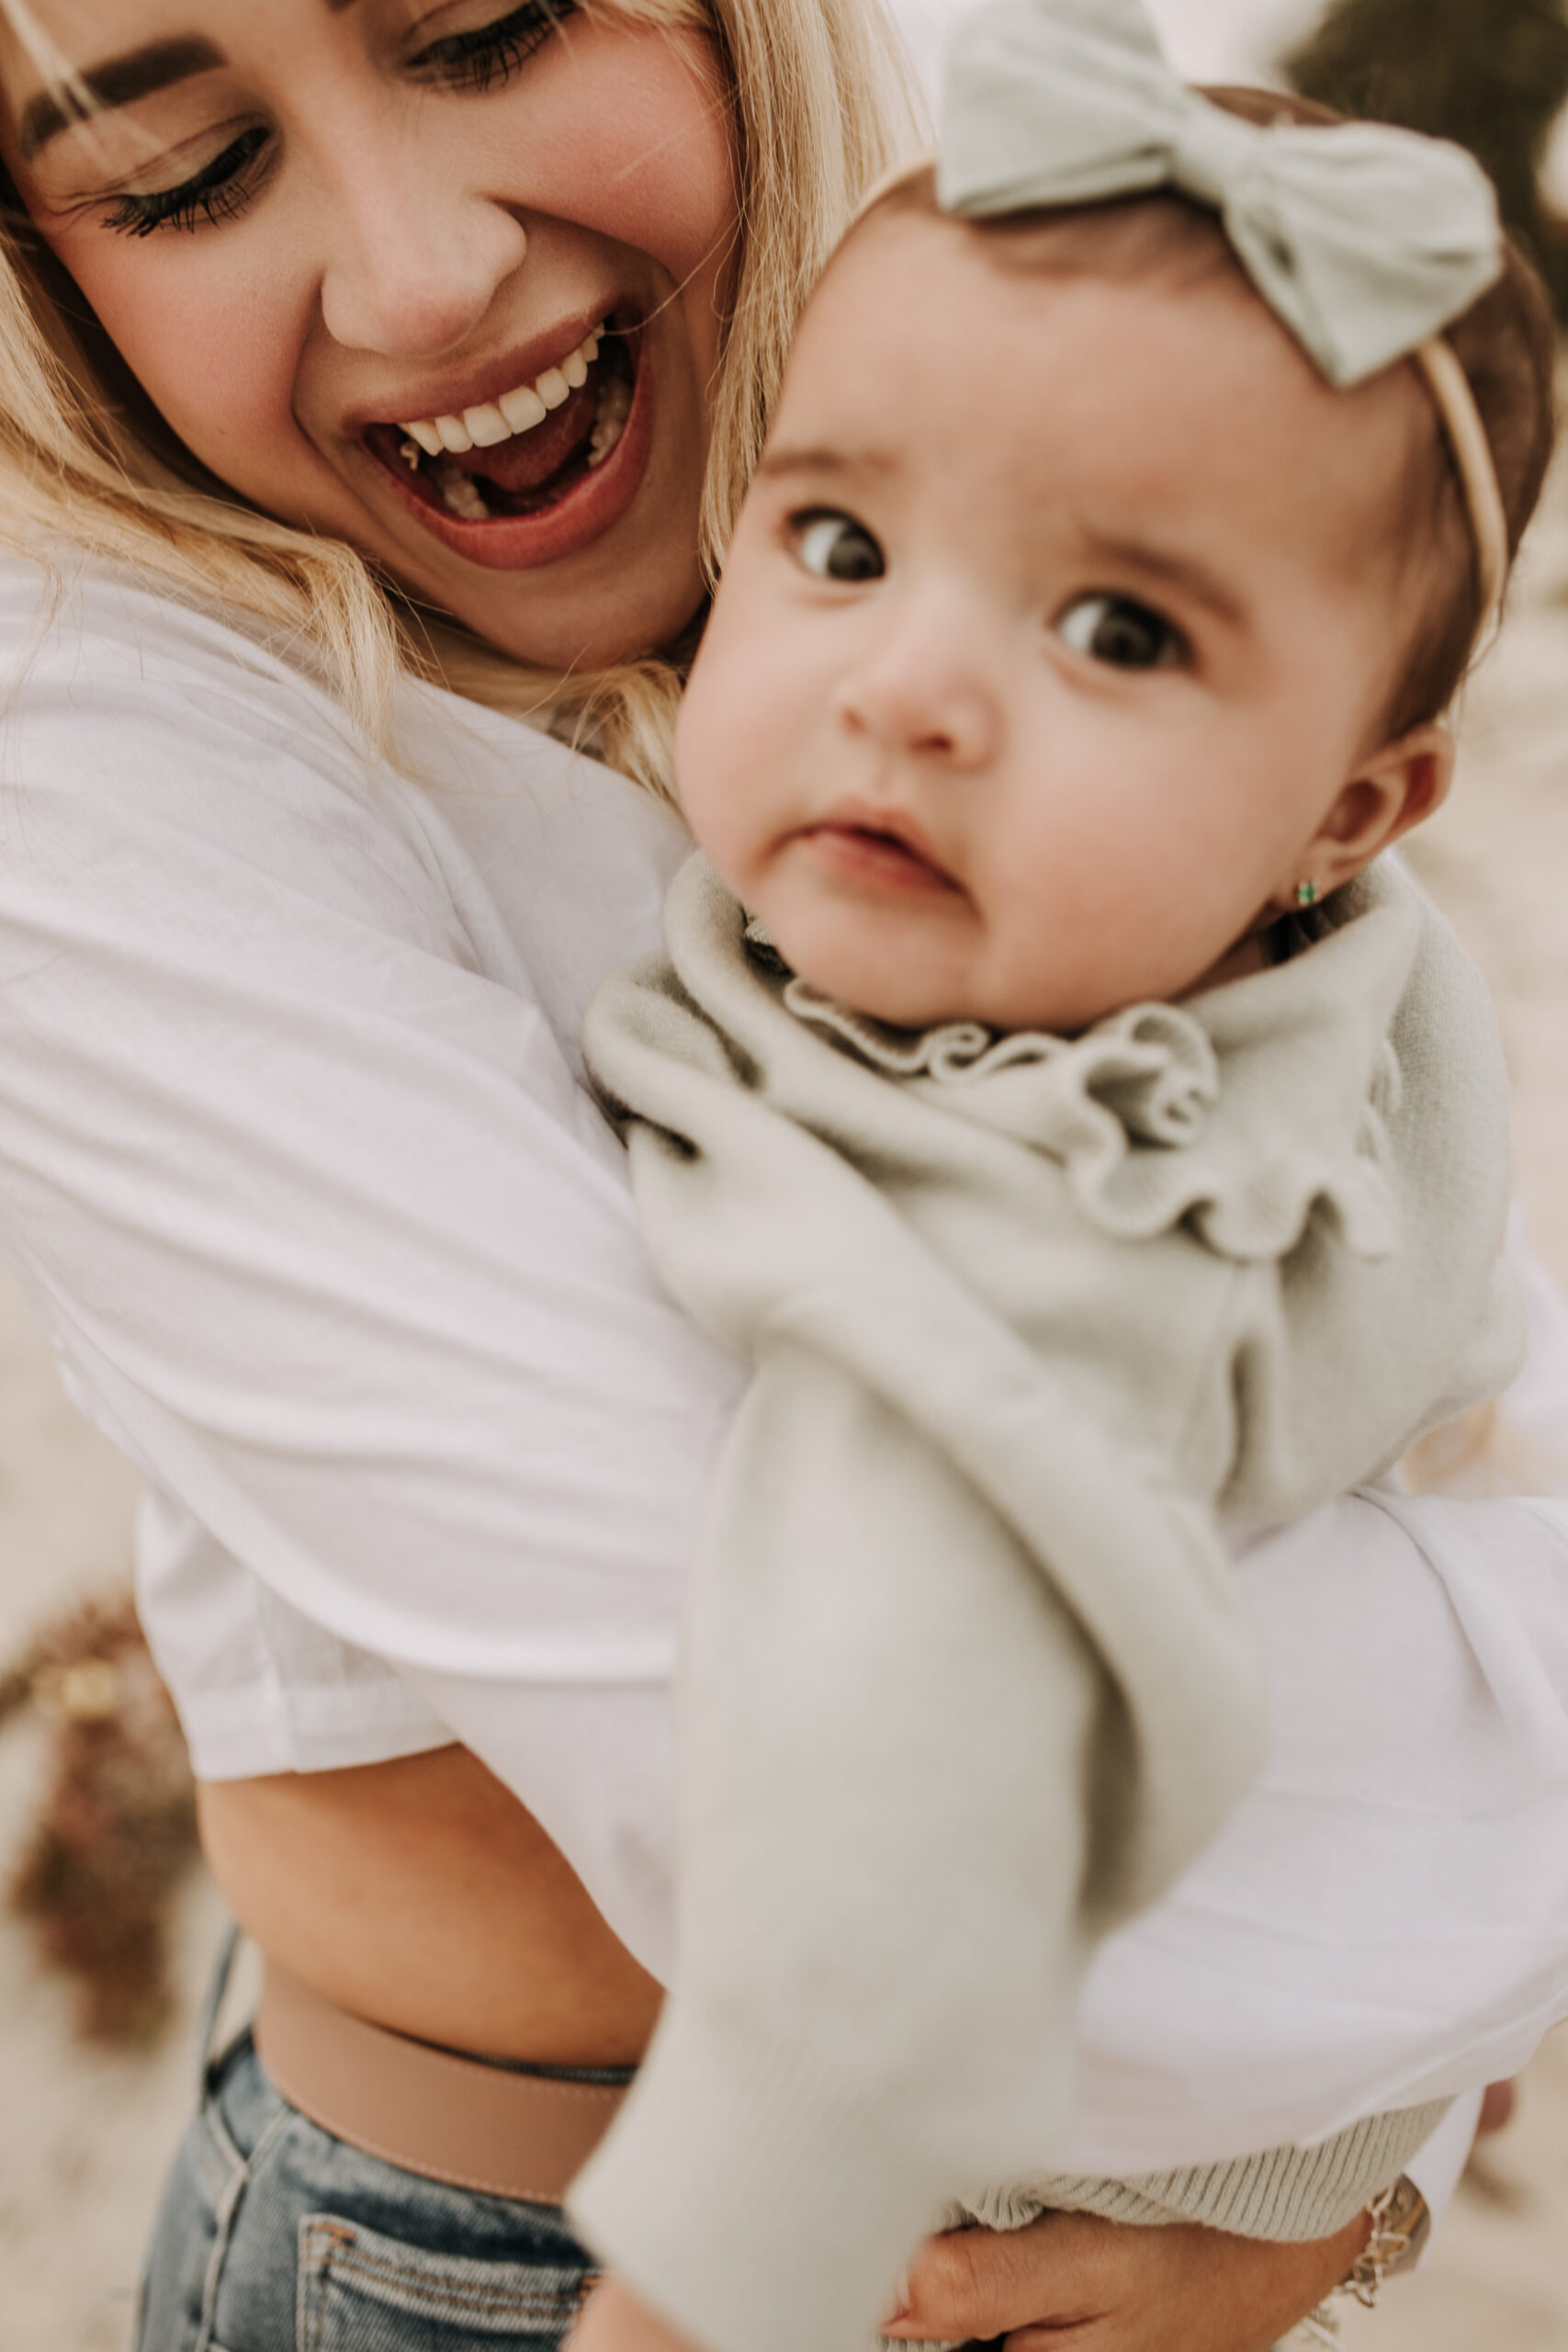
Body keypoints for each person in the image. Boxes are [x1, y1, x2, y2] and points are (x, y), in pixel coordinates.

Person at [0, 6, 1561, 2351]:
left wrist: (1340, 2176)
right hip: (518, 2254)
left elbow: (1433, 1406)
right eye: (183, 171)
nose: (420, 278)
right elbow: (806, 1738)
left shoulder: (1002, 377)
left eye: (486, 22)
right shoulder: (88, 761)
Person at [570, 6, 1558, 2348]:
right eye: (837, 539)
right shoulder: (1321, 976)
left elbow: (897, 1771)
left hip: (899, 2235)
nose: (912, 681)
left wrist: (696, 2290)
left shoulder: (1060, 1217)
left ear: (1348, 807)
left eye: (1115, 627)